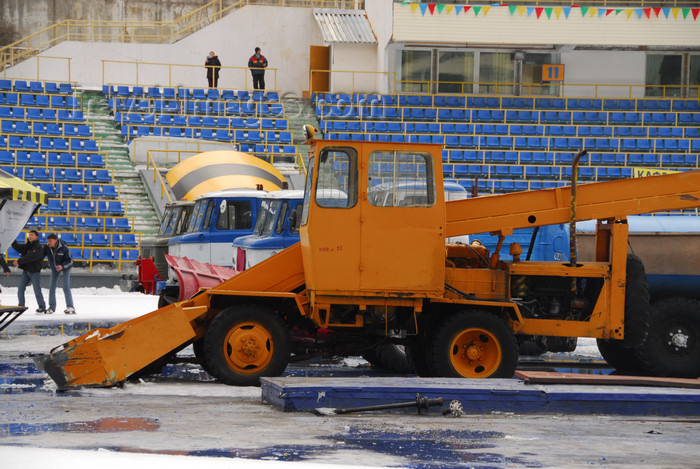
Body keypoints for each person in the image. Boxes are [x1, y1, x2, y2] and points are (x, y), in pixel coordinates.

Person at [11, 230, 47, 313]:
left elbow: (31, 257)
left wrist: (19, 261)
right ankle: (21, 306)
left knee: (37, 289)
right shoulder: (28, 246)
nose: (30, 236)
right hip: (26, 272)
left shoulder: (38, 247)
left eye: (32, 235)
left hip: (35, 272)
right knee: (20, 288)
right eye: (29, 235)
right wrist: (12, 238)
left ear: (36, 237)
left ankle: (42, 307)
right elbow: (18, 248)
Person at [45, 233, 75, 315]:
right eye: (48, 241)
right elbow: (40, 255)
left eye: (50, 241)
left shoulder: (64, 248)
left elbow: (70, 261)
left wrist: (62, 266)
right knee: (52, 287)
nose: (49, 243)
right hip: (55, 268)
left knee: (66, 286)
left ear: (56, 240)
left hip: (65, 267)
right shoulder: (47, 247)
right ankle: (51, 307)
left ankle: (70, 307)